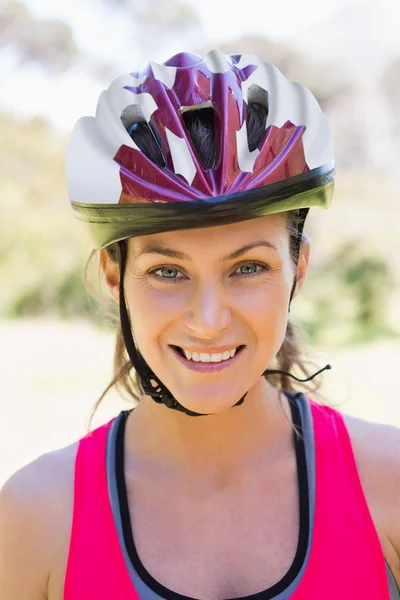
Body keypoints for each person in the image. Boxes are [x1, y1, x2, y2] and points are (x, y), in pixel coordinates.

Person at [0, 50, 399, 600]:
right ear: (115, 277)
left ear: (298, 271)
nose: (209, 321)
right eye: (167, 271)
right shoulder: (35, 517)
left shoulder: (392, 486)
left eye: (248, 267)